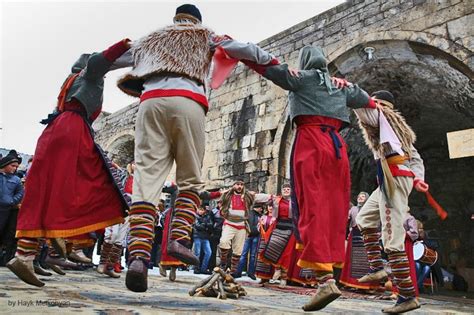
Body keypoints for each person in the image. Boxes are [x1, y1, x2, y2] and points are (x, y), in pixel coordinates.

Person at [117, 4, 279, 292]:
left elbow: (106, 58)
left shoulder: (150, 40)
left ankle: (139, 258)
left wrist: (87, 66)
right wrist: (273, 62)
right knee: (190, 177)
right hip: (188, 101)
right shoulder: (207, 37)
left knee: (145, 180)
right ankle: (179, 238)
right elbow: (249, 50)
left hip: (150, 103)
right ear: (197, 20)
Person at [7, 39, 131, 287]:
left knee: (44, 190)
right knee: (93, 182)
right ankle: (63, 239)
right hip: (72, 130)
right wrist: (124, 46)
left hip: (55, 132)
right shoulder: (89, 75)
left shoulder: (69, 84)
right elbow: (98, 61)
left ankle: (26, 254)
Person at [355, 90, 428, 313]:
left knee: (392, 239)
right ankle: (378, 268)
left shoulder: (381, 117)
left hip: (394, 179)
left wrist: (350, 92)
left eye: (376, 103)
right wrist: (418, 178)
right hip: (390, 178)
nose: (373, 106)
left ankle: (407, 296)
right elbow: (415, 158)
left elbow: (365, 110)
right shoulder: (395, 128)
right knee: (364, 218)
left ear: (382, 105)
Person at [340, 192, 380, 291]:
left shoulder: (371, 209)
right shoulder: (353, 209)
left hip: (366, 234)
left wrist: (377, 236)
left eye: (362, 197)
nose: (360, 198)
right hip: (354, 235)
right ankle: (350, 283)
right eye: (359, 196)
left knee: (363, 261)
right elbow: (346, 220)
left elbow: (378, 223)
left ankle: (363, 285)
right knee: (352, 260)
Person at [0, 150, 24, 265]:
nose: (14, 168)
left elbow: (20, 193)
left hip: (6, 210)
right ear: (5, 165)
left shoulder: (16, 180)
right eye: (12, 166)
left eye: (16, 166)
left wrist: (11, 201)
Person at [234, 204, 263, 280]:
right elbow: (248, 224)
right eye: (260, 207)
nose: (261, 209)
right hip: (249, 235)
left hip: (256, 236)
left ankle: (250, 273)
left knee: (252, 255)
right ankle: (238, 272)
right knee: (244, 254)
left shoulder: (260, 216)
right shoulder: (250, 213)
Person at [192, 206, 214, 274]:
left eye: (202, 210)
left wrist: (204, 225)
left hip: (205, 237)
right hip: (197, 236)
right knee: (197, 253)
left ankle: (203, 269)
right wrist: (205, 226)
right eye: (199, 209)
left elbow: (211, 225)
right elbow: (197, 226)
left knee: (209, 252)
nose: (200, 211)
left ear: (204, 210)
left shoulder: (208, 216)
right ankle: (196, 268)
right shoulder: (195, 216)